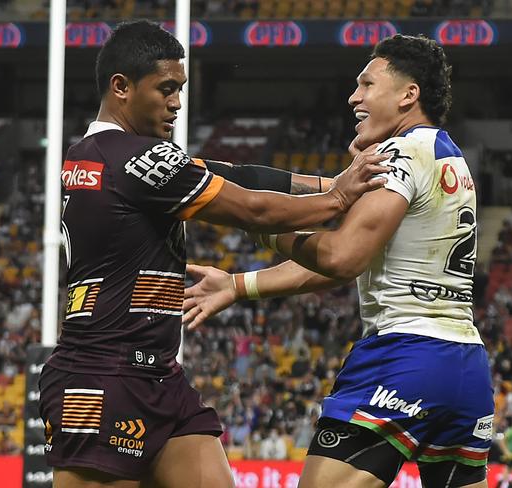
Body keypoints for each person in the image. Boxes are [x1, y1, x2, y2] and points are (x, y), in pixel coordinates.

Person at [38, 19, 389, 488]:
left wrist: (339, 181)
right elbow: (253, 206)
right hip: (102, 377)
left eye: (180, 89)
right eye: (165, 89)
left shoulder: (103, 155)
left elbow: (240, 175)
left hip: (158, 376)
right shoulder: (133, 159)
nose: (177, 103)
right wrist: (339, 199)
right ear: (121, 87)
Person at [184, 34, 495, 487]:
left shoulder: (403, 152)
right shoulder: (446, 155)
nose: (355, 97)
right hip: (465, 368)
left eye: (367, 84)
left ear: (409, 95)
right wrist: (239, 285)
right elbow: (350, 247)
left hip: (403, 359)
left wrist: (261, 227)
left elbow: (342, 256)